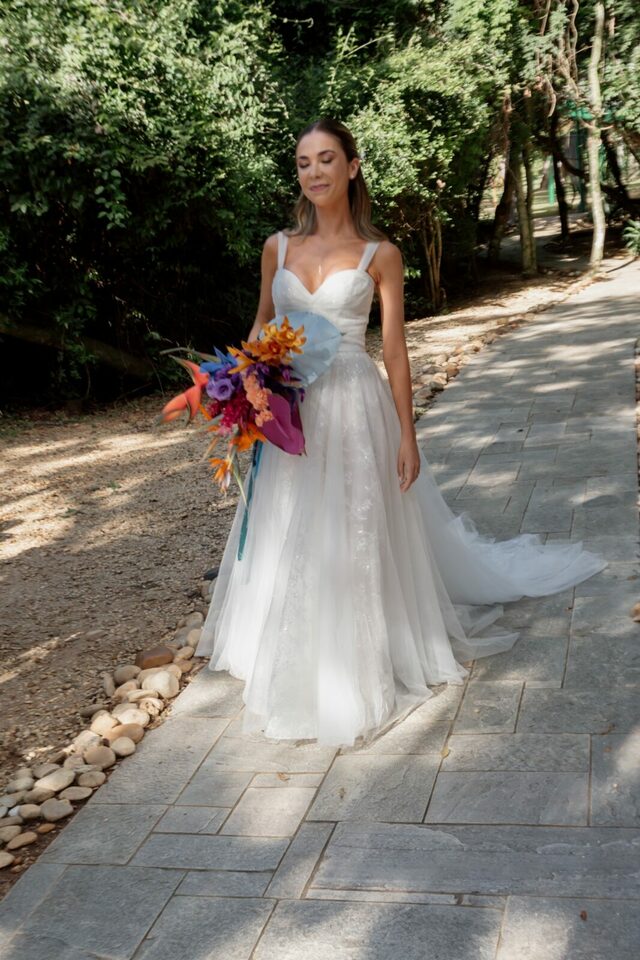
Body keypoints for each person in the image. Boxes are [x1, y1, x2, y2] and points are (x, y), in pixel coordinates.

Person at [194, 118, 606, 747]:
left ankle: (357, 658)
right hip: (290, 405)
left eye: (326, 159)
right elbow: (260, 323)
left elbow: (393, 351)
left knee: (353, 523)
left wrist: (408, 436)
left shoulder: (379, 254)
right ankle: (284, 645)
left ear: (352, 166)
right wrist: (242, 384)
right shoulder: (276, 247)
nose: (314, 172)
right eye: (303, 162)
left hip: (354, 405)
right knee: (291, 520)